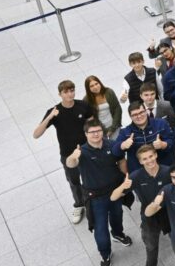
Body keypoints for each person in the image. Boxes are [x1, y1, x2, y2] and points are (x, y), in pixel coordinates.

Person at [67, 120, 132, 266]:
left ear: (103, 131)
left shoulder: (111, 144)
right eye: (92, 132)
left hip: (116, 191)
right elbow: (70, 164)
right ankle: (105, 254)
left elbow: (121, 161)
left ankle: (117, 234)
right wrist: (73, 156)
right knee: (100, 228)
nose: (96, 134)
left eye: (98, 131)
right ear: (86, 134)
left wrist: (127, 179)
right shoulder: (82, 151)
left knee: (117, 216)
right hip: (95, 197)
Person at [32, 80, 95, 224]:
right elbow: (36, 134)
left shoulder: (83, 105)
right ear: (60, 94)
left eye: (72, 90)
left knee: (91, 176)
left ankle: (93, 201)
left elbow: (92, 123)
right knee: (74, 181)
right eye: (66, 92)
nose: (70, 94)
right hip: (67, 154)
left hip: (85, 149)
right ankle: (79, 204)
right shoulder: (54, 111)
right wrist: (50, 117)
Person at [112, 145, 171, 266]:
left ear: (156, 155)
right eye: (145, 159)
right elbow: (113, 197)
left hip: (170, 214)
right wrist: (123, 186)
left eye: (151, 156)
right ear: (140, 161)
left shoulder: (168, 172)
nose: (149, 160)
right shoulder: (136, 176)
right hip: (149, 217)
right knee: (151, 248)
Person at [114, 102, 175, 171]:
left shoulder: (161, 123)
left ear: (146, 111)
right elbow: (115, 151)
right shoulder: (125, 132)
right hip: (138, 172)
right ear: (130, 116)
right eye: (135, 115)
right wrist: (122, 145)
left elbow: (172, 141)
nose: (139, 116)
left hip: (163, 168)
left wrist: (163, 144)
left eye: (141, 112)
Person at [84, 75, 124, 140]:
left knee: (117, 145)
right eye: (91, 86)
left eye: (96, 83)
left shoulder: (109, 92)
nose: (95, 87)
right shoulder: (86, 100)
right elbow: (89, 119)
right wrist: (102, 130)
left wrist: (112, 128)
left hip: (114, 125)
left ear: (100, 83)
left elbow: (117, 109)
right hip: (99, 130)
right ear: (88, 89)